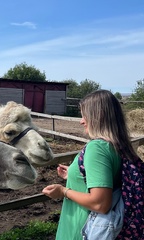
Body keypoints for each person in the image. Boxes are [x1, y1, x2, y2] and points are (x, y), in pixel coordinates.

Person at [42, 89, 139, 240]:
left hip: (82, 230)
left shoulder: (97, 148)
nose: (81, 121)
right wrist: (74, 174)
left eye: (84, 115)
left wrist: (63, 191)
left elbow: (100, 203)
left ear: (97, 117)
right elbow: (108, 178)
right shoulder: (119, 146)